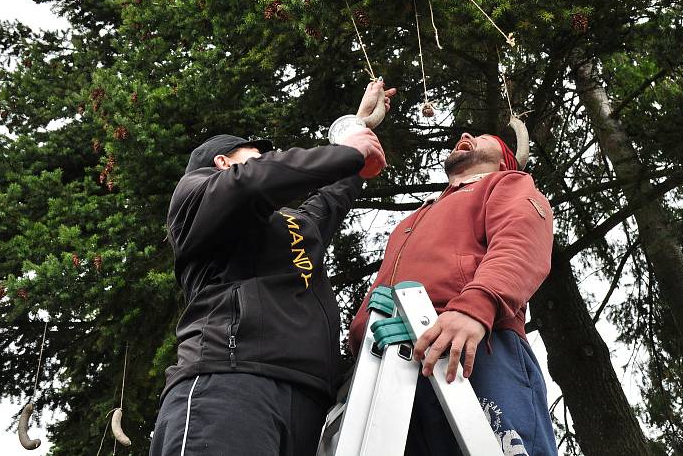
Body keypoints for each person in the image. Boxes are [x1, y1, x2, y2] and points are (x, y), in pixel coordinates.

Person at [150, 81, 396, 456]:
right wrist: (343, 152)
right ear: (223, 161)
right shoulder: (197, 195)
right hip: (230, 382)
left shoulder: (293, 223)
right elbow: (250, 183)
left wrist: (358, 128)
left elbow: (330, 197)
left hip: (307, 399)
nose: (270, 156)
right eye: (256, 152)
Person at [348, 132, 558, 456]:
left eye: (482, 137)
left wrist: (476, 306)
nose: (464, 135)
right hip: (392, 365)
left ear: (504, 160)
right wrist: (363, 336)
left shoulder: (507, 183)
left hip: (477, 344)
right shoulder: (411, 220)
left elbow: (520, 240)